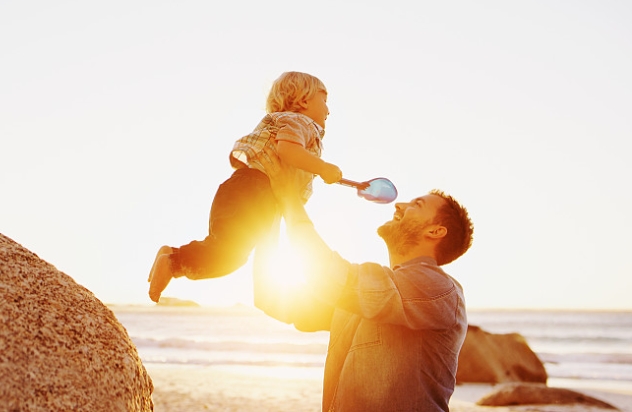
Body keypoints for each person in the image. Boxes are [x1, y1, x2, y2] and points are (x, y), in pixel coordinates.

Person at [253, 146, 474, 412]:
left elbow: (331, 276)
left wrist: (290, 198)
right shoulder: (366, 295)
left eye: (417, 205)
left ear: (435, 230)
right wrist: (272, 210)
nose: (400, 205)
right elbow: (271, 297)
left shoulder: (437, 288)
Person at [148, 71, 342, 303]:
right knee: (230, 256)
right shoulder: (300, 122)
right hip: (255, 192)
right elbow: (287, 151)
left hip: (241, 187)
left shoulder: (283, 122)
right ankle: (172, 264)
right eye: (324, 100)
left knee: (222, 248)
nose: (328, 110)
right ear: (303, 101)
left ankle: (173, 254)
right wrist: (322, 167)